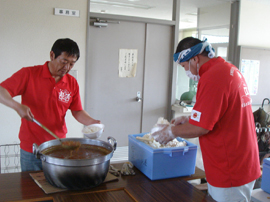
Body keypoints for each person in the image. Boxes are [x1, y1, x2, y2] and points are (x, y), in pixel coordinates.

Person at [152, 37, 261, 202]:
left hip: (230, 169)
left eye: (184, 66)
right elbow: (221, 114)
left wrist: (170, 132)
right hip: (242, 163)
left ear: (195, 59)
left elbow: (202, 128)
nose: (186, 72)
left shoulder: (212, 78)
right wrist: (189, 119)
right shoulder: (228, 70)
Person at [0, 38, 101, 171]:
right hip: (32, 148)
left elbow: (77, 111)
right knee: (32, 189)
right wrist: (17, 106)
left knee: (58, 187)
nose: (67, 68)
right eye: (64, 62)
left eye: (72, 64)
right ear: (52, 55)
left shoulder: (72, 83)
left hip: (59, 145)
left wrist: (92, 122)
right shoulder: (29, 74)